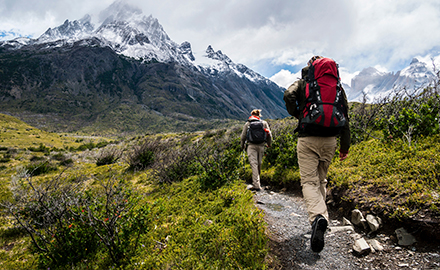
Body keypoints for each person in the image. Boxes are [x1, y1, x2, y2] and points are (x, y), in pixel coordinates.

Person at [283, 56, 350, 253]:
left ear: (311, 67)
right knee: (321, 180)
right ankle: (322, 218)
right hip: (330, 140)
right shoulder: (337, 86)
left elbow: (288, 95)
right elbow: (345, 116)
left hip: (308, 138)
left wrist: (298, 114)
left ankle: (318, 218)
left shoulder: (304, 83)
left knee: (309, 182)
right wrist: (344, 147)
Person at [240, 109, 272, 191]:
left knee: (253, 164)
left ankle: (256, 185)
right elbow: (269, 135)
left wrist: (242, 145)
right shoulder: (264, 123)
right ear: (259, 115)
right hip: (261, 146)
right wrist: (269, 144)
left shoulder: (248, 123)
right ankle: (257, 182)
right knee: (259, 163)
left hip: (251, 146)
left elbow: (243, 136)